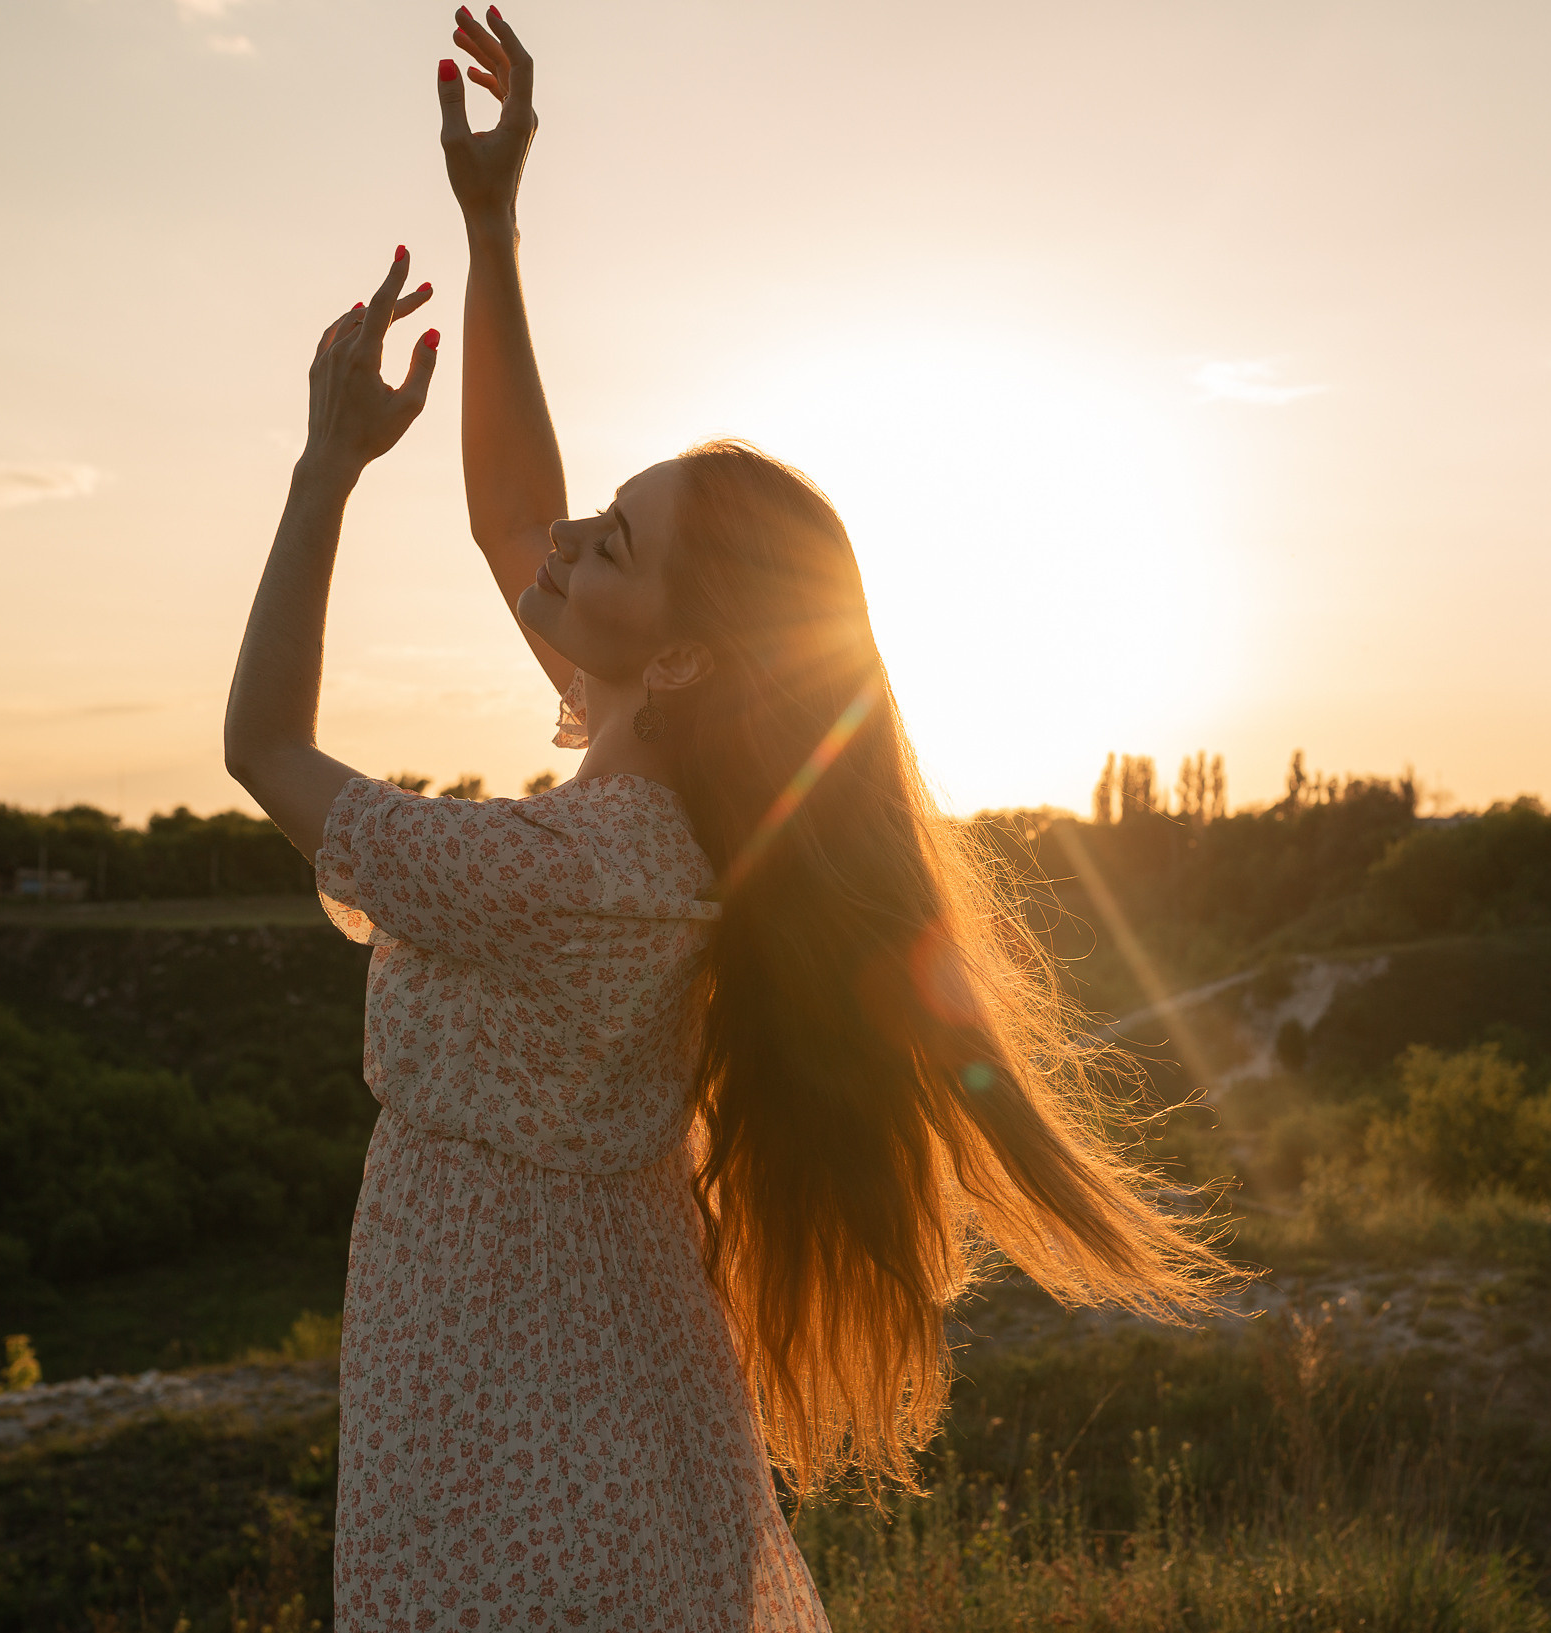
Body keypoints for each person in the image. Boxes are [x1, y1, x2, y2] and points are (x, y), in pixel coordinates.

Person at [223, 8, 1236, 1628]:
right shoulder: (661, 832)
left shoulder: (537, 874)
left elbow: (260, 741)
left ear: (686, 654)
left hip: (502, 1426)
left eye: (614, 545)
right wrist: (492, 227)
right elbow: (509, 517)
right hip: (566, 1387)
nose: (570, 545)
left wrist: (325, 468)